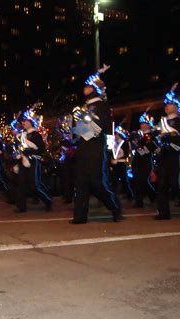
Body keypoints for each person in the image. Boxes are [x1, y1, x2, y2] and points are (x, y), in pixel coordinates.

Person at [70, 65, 122, 224]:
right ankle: (80, 217)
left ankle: (114, 207)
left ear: (94, 88)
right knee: (81, 183)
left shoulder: (101, 105)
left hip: (95, 148)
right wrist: (75, 124)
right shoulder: (83, 107)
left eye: (88, 86)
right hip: (83, 148)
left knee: (96, 181)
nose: (84, 88)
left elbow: (99, 129)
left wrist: (82, 123)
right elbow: (75, 133)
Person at [154, 84, 180, 219]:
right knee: (162, 186)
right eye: (165, 104)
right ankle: (164, 213)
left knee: (176, 185)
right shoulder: (162, 122)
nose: (166, 106)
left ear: (176, 107)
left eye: (169, 104)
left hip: (175, 155)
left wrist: (172, 137)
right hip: (164, 155)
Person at [15, 109, 52, 213]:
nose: (24, 123)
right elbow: (19, 148)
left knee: (35, 184)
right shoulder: (22, 135)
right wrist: (18, 157)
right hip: (23, 161)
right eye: (23, 122)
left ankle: (48, 201)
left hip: (33, 161)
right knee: (21, 184)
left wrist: (26, 143)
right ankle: (21, 207)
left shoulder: (36, 135)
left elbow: (39, 148)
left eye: (26, 121)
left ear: (31, 123)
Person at [130, 112, 157, 207]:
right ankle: (150, 197)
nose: (142, 125)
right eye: (141, 123)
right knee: (138, 181)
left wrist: (139, 149)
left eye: (144, 123)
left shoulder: (151, 136)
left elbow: (150, 147)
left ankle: (141, 200)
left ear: (149, 125)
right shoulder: (140, 136)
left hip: (145, 162)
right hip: (137, 161)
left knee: (141, 181)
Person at [109, 126, 134, 200]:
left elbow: (126, 154)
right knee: (114, 180)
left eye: (117, 134)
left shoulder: (125, 143)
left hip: (121, 163)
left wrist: (118, 159)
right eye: (115, 134)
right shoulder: (113, 143)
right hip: (115, 164)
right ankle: (112, 196)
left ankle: (129, 195)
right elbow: (111, 153)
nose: (115, 135)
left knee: (124, 181)